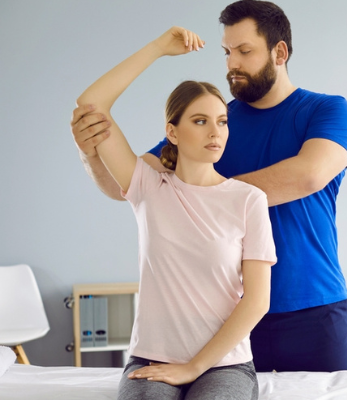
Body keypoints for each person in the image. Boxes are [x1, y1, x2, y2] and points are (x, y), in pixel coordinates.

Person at [70, 0, 347, 372]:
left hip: (313, 308)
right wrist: (90, 153)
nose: (231, 64)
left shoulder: (327, 110)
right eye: (226, 52)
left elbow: (308, 175)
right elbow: (128, 185)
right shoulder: (213, 123)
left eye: (244, 51)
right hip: (225, 318)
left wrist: (210, 192)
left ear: (280, 52)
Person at [76, 26, 277, 400]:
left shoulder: (249, 199)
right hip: (150, 360)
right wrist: (157, 49)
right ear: (172, 131)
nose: (214, 132)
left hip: (224, 365)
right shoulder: (148, 186)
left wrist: (193, 367)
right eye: (200, 121)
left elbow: (257, 301)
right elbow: (91, 103)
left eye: (221, 121)